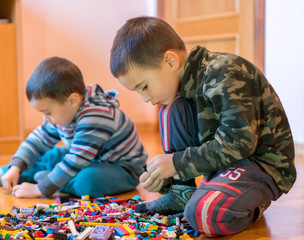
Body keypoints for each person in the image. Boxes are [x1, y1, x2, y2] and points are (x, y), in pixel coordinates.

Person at [110, 16, 296, 237]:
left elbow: (239, 143)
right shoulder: (186, 89)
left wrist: (177, 163)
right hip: (228, 162)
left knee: (205, 215)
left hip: (261, 165)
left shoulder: (225, 72)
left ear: (170, 61)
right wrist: (166, 176)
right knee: (172, 108)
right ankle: (182, 193)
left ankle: (254, 204)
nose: (144, 98)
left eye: (144, 86)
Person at [0, 57, 147, 198]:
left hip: (122, 170)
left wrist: (41, 189)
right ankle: (1, 174)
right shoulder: (66, 109)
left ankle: (51, 182)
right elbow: (38, 139)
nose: (45, 118)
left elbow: (76, 160)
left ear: (73, 100)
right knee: (50, 156)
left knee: (87, 181)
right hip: (86, 158)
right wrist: (16, 165)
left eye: (47, 112)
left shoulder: (96, 115)